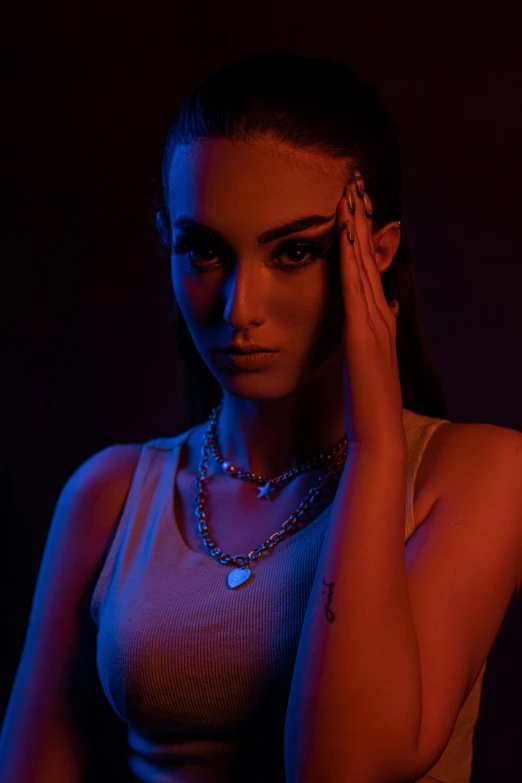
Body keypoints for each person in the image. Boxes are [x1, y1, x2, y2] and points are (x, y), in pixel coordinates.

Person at [2, 51, 521, 783]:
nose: (239, 310)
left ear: (376, 255)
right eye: (205, 250)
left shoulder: (478, 475)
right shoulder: (110, 495)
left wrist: (374, 448)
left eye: (295, 252)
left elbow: (342, 768)